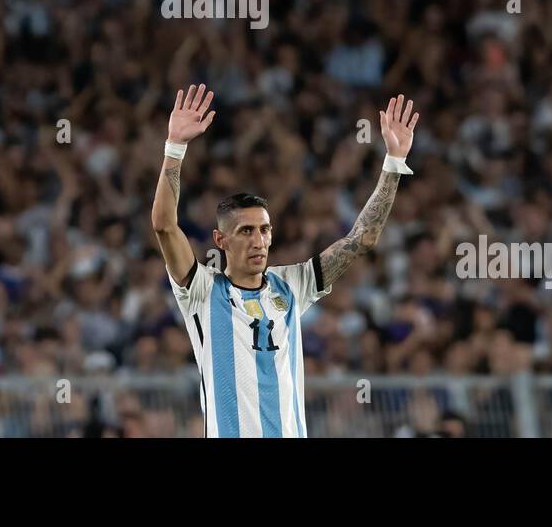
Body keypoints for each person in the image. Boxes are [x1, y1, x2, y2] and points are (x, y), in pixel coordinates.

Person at [153, 84, 419, 437]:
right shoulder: (201, 290)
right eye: (246, 231)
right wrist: (175, 147)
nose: (259, 240)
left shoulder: (293, 284)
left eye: (264, 230)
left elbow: (362, 239)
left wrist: (393, 163)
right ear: (221, 240)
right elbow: (164, 226)